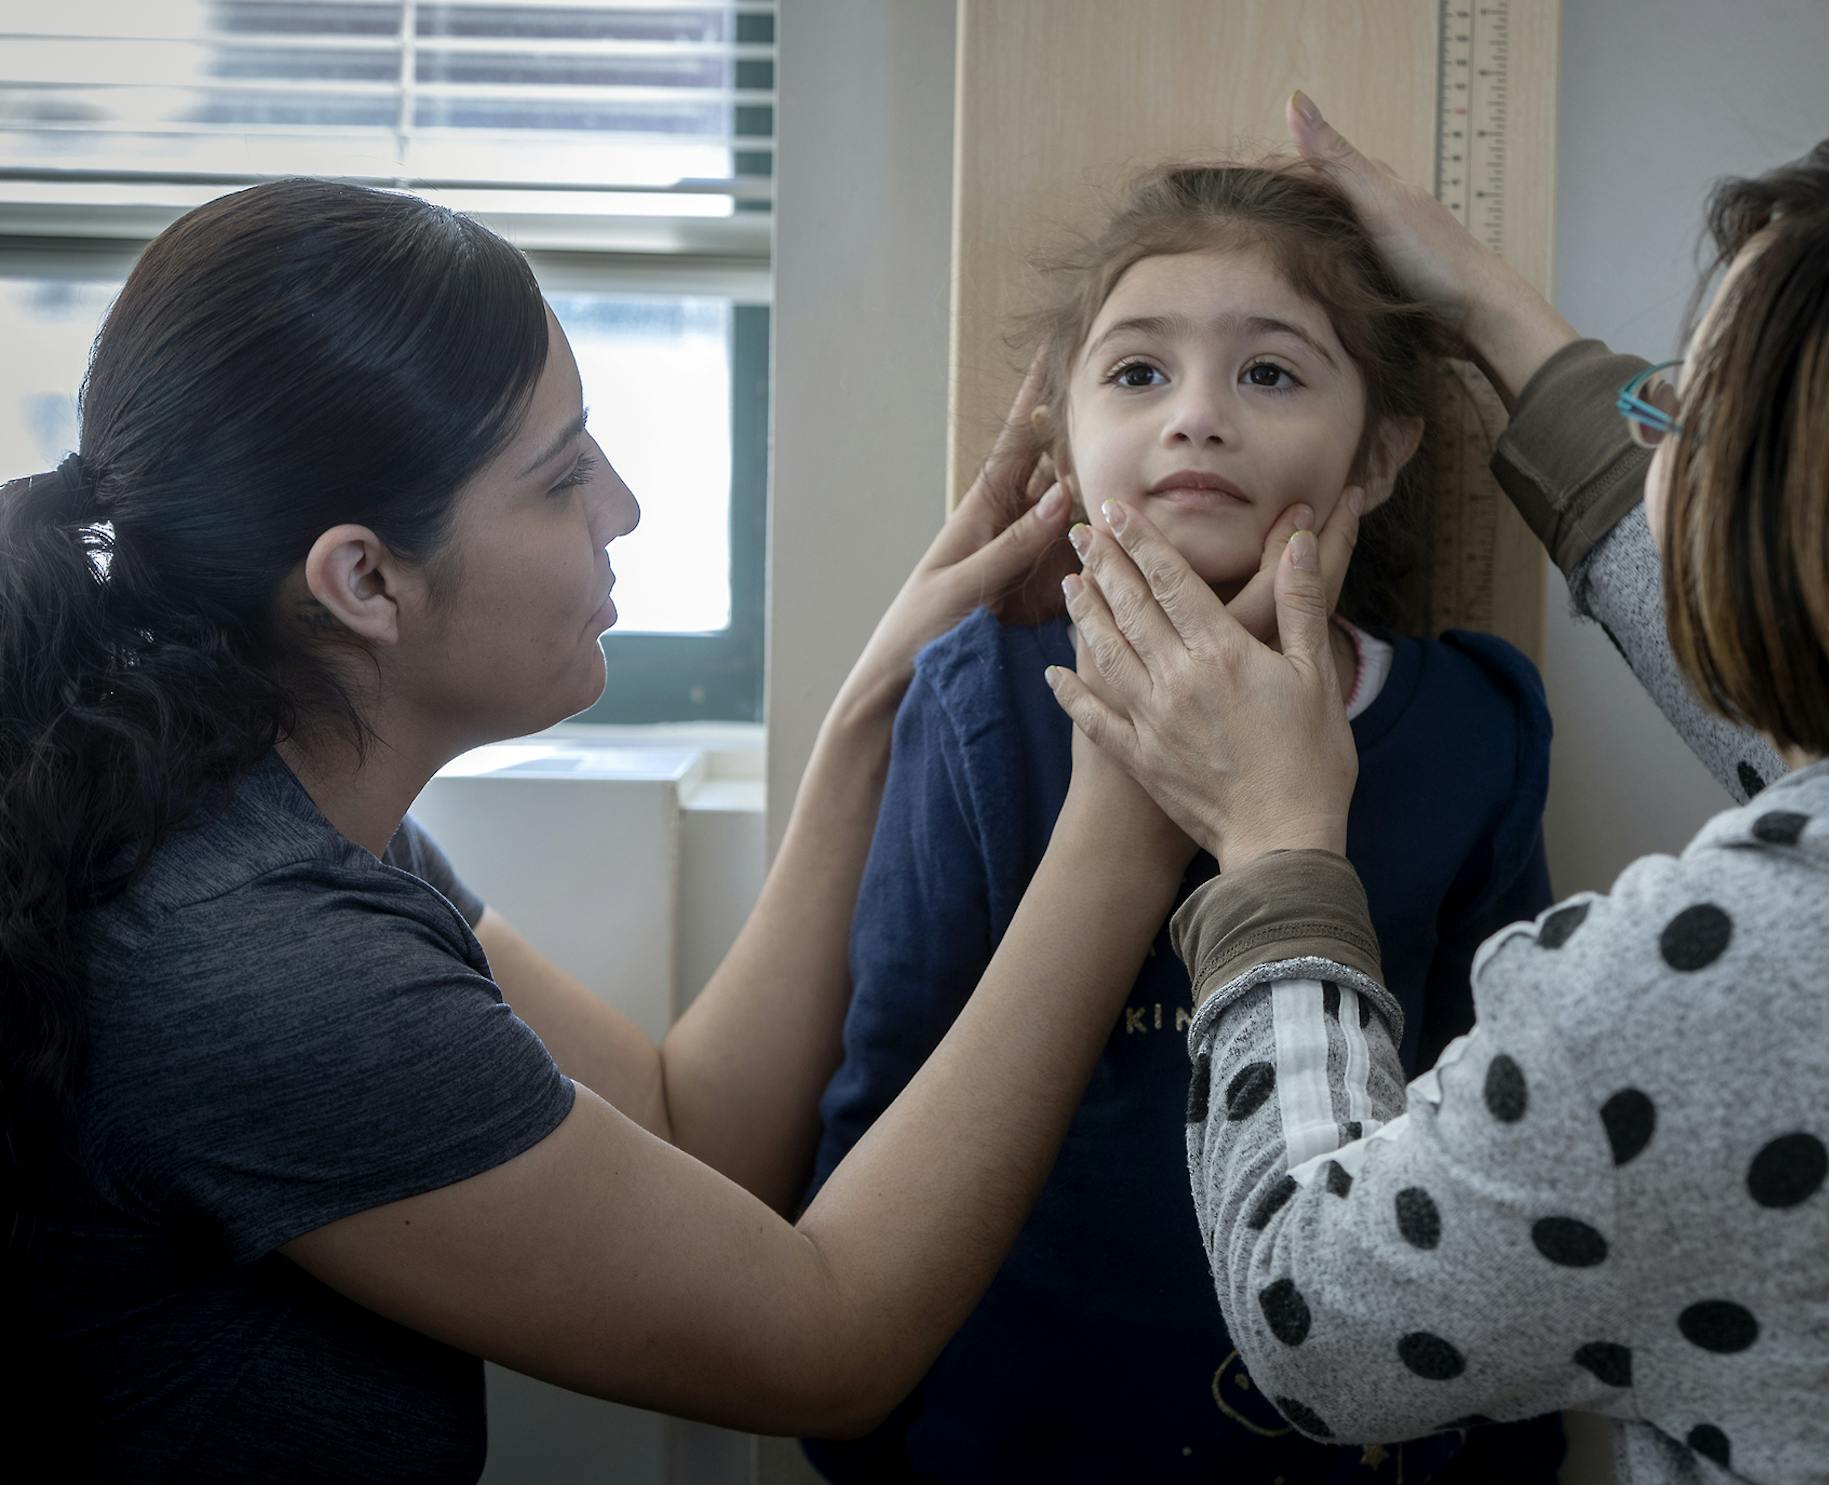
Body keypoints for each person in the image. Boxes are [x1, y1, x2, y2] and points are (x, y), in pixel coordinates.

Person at [1, 176, 1359, 1481]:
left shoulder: (265, 792)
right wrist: (1127, 818)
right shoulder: (265, 966)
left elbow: (684, 1129)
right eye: (558, 477)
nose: (624, 510)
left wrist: (866, 715)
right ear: (364, 578)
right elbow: (831, 1341)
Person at [1050, 94, 1829, 1482]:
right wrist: (1490, 305)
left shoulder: (1699, 998)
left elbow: (1318, 1322)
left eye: (1677, 409)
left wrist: (1275, 852)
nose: (1644, 445)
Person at [806, 162, 1565, 1483]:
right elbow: (888, 1067)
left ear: (1379, 453)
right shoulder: (978, 699)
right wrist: (863, 1422)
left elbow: (1505, 1122)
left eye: (1269, 374)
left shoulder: (1471, 729)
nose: (1197, 417)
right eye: (1138, 374)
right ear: (1059, 435)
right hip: (1017, 1431)